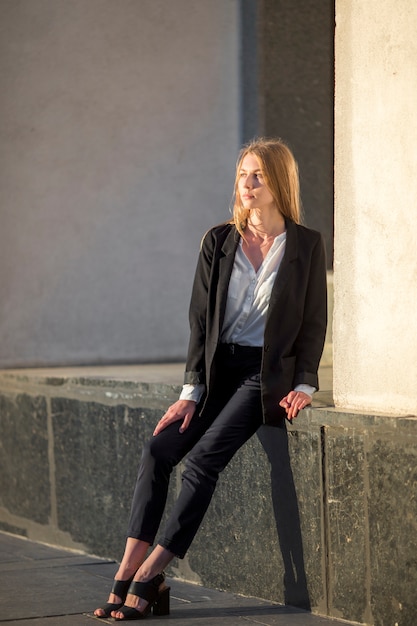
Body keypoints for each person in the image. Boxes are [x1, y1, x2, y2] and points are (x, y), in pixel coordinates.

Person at [94, 137, 327, 620]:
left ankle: (152, 572)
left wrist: (304, 384)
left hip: (262, 377)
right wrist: (189, 393)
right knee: (158, 450)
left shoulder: (305, 245)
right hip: (217, 372)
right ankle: (129, 566)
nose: (247, 183)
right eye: (243, 173)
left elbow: (312, 323)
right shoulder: (218, 241)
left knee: (202, 462)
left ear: (279, 181)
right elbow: (200, 324)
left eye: (258, 174)